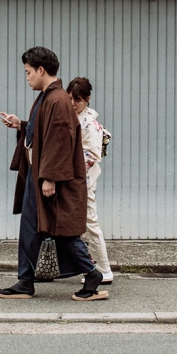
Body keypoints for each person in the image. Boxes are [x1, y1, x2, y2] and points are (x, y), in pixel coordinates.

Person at [0, 46, 108, 301]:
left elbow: (59, 140)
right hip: (42, 174)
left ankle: (91, 273)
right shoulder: (50, 96)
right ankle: (26, 280)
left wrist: (50, 178)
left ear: (41, 70)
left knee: (58, 229)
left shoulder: (56, 99)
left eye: (27, 72)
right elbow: (45, 131)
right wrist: (21, 124)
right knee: (38, 228)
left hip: (49, 177)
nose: (26, 77)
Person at [66, 77, 113, 285]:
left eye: (78, 100)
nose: (74, 103)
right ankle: (88, 267)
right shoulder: (74, 117)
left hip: (82, 180)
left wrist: (67, 166)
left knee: (90, 222)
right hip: (74, 178)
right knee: (80, 224)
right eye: (70, 98)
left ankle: (103, 269)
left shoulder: (89, 124)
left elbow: (92, 156)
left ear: (87, 99)